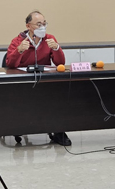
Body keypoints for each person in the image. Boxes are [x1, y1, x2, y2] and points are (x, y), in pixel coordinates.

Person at [5, 11, 69, 146]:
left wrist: (56, 48)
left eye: (44, 24)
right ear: (28, 26)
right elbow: (10, 64)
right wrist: (19, 50)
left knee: (60, 95)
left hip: (44, 81)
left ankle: (59, 132)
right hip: (23, 82)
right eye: (38, 24)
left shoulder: (49, 38)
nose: (42, 27)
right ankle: (18, 126)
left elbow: (60, 63)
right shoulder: (18, 41)